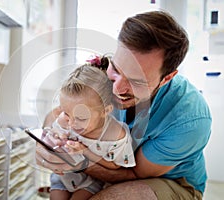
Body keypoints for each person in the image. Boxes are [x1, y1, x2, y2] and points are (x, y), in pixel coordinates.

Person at [37, 10, 212, 200]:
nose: (117, 89)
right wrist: (47, 142)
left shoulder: (189, 120)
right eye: (116, 69)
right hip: (98, 170)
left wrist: (77, 161)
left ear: (166, 78)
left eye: (137, 82)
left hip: (169, 181)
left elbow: (134, 173)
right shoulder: (103, 77)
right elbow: (59, 112)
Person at [46, 63, 135, 200]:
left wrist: (85, 151)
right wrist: (55, 142)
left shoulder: (116, 135)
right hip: (65, 177)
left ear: (105, 111)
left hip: (90, 182)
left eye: (81, 118)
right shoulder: (65, 120)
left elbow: (115, 166)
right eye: (66, 113)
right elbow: (51, 138)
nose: (71, 123)